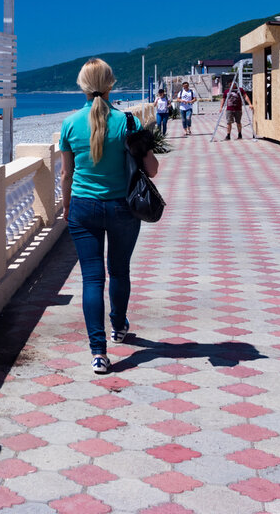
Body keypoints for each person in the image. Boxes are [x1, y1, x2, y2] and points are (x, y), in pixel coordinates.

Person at [60, 59, 159, 374]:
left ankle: (99, 352)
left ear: (82, 86)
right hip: (121, 208)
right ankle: (118, 326)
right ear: (111, 84)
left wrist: (66, 206)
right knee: (119, 271)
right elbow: (152, 169)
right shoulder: (127, 123)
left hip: (83, 208)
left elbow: (66, 174)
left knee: (92, 278)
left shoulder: (70, 124)